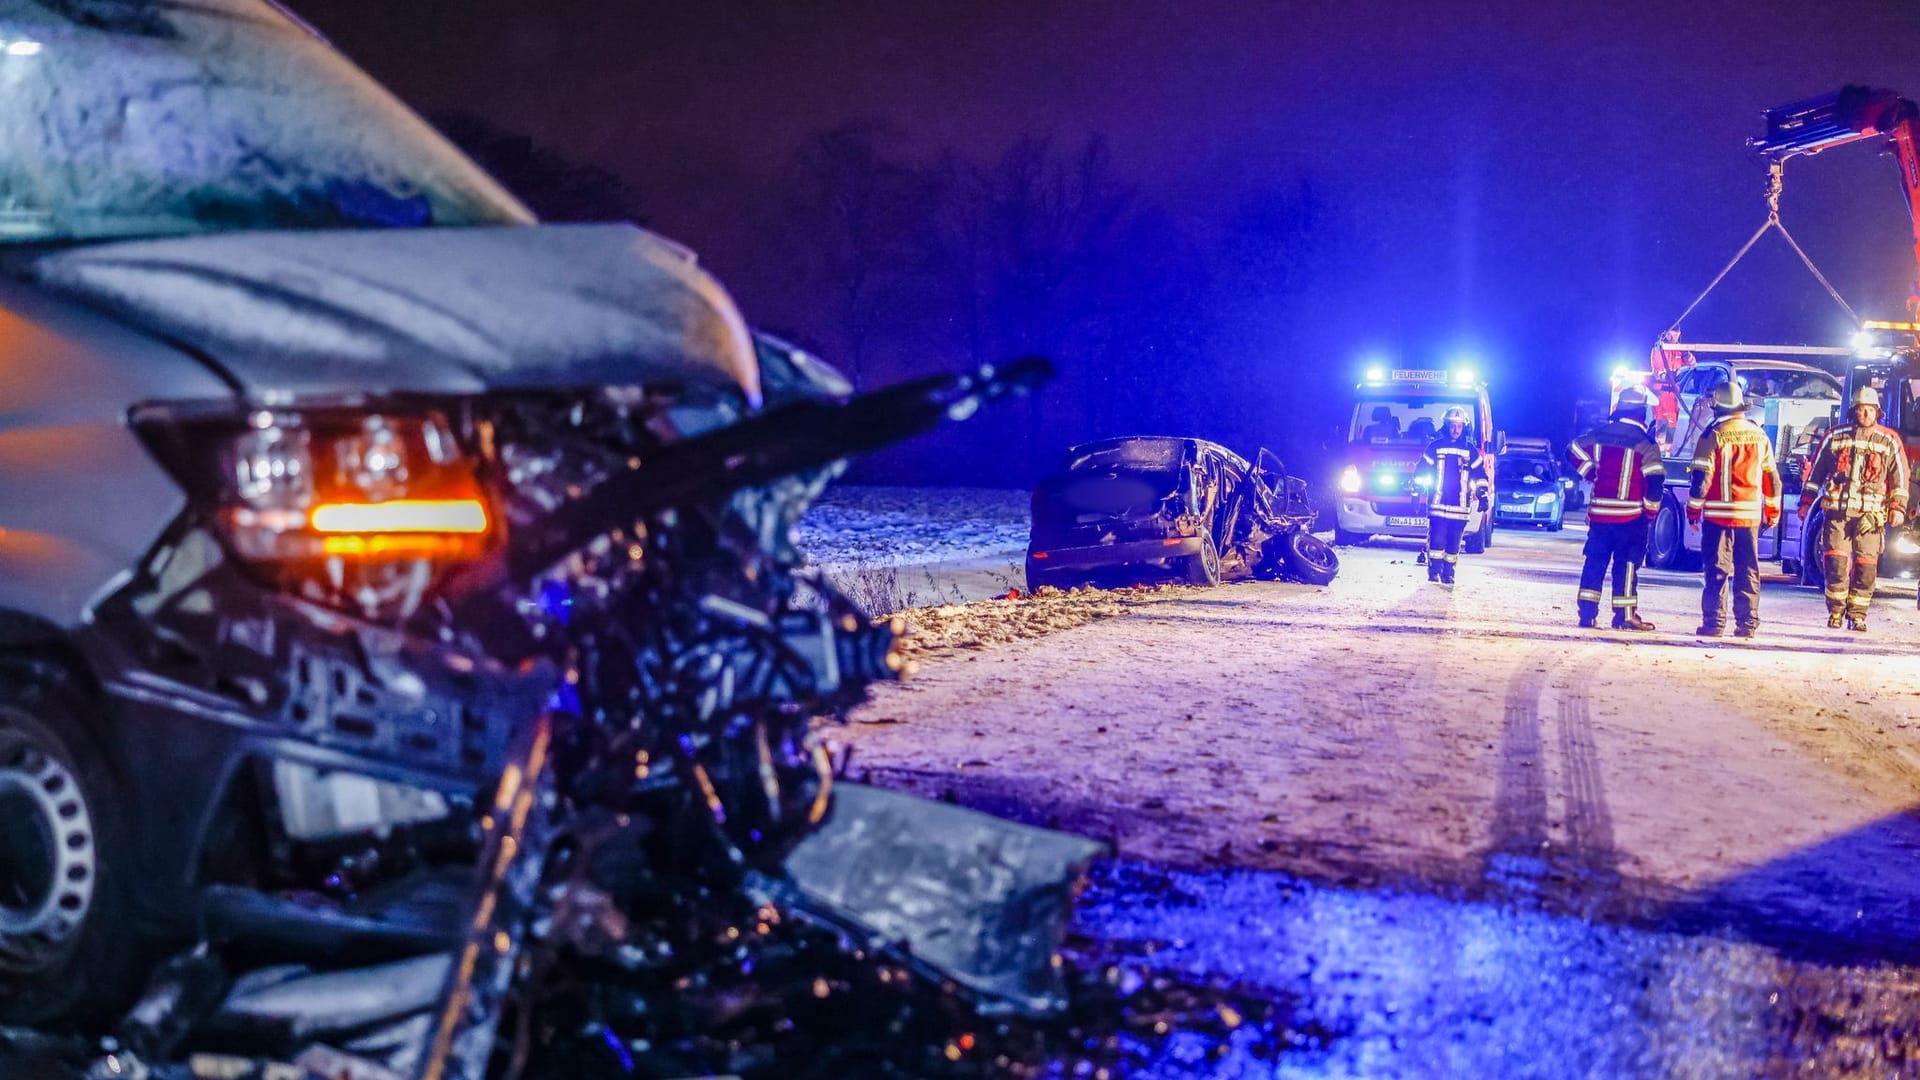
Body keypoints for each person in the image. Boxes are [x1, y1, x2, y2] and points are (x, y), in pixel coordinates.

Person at [1797, 386, 1910, 631]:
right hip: (1837, 515)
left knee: (1866, 567)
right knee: (1835, 565)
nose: (1865, 414)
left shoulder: (1888, 440)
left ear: (1877, 412)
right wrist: (1806, 502)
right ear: (1853, 411)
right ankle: (1836, 612)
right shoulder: (1834, 437)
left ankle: (1858, 615)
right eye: (1861, 409)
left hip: (1869, 519)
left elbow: (1900, 477)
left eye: (1869, 410)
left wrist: (1898, 507)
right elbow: (1815, 473)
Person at [1686, 381, 1781, 638]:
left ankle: (1714, 624)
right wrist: (1772, 511)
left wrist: (1693, 511)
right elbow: (1772, 479)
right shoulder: (1759, 435)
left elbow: (1701, 480)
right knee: (1748, 569)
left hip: (1718, 518)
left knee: (1717, 570)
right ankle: (1747, 624)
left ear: (1717, 405)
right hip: (1749, 518)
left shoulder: (1712, 436)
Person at [1566, 386, 1665, 630]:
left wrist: (1591, 473)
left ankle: (1587, 614)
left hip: (1600, 514)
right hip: (1631, 517)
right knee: (1627, 565)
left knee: (1594, 562)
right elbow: (1654, 480)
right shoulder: (1646, 443)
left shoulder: (1599, 434)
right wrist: (1650, 511)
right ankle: (1625, 615)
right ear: (1641, 411)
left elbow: (1572, 451)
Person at [1417, 405, 1487, 585]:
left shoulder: (1471, 451)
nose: (1455, 430)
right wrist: (1417, 491)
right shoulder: (1434, 447)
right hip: (1438, 503)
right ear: (1446, 425)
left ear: (1464, 428)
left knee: (1454, 542)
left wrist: (1483, 494)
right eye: (1452, 425)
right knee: (1437, 539)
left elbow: (1479, 475)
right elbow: (1421, 471)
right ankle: (1434, 571)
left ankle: (1449, 573)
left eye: (1459, 426)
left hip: (1460, 505)